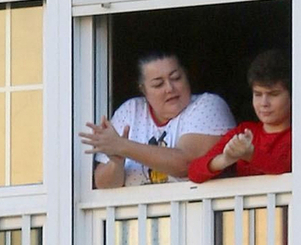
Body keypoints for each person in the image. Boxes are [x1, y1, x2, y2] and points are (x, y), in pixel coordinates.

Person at [82, 52, 235, 187]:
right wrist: (117, 162)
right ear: (143, 89)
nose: (169, 88)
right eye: (158, 84)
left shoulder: (208, 105)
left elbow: (186, 164)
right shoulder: (130, 111)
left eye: (176, 78)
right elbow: (103, 184)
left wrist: (123, 146)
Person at [188, 51, 292, 182]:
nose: (264, 103)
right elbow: (193, 171)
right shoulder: (244, 131)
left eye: (273, 94)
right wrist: (226, 159)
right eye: (258, 94)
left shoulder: (298, 134)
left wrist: (250, 155)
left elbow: (285, 168)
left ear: (292, 96)